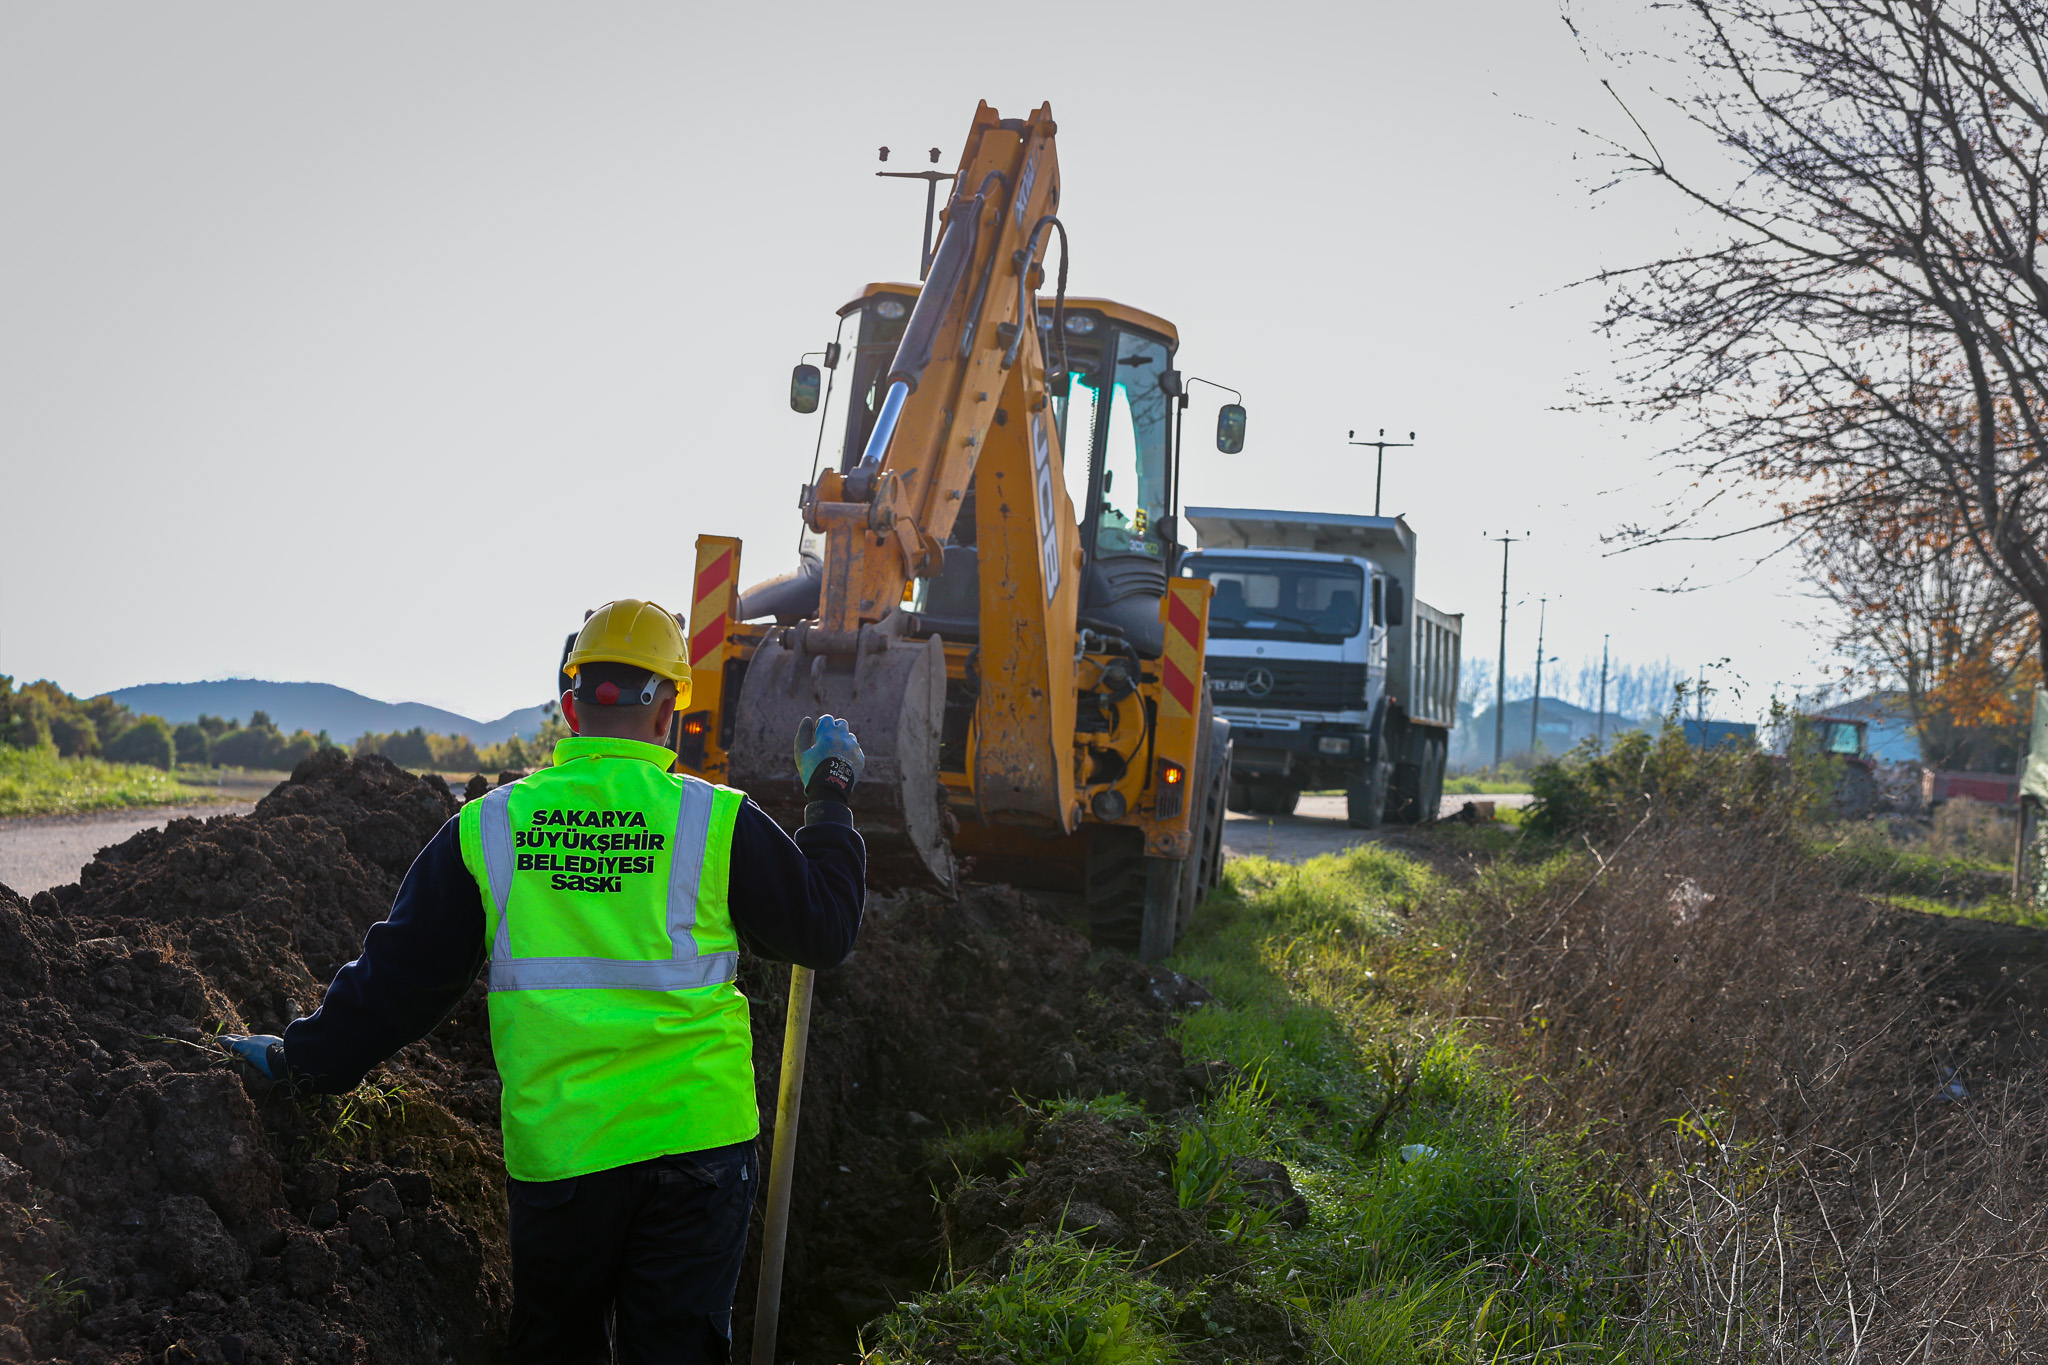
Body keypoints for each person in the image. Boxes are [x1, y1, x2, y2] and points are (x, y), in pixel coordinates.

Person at [223, 599, 867, 1363]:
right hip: (698, 1151)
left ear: (569, 706)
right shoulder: (717, 820)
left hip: (564, 1161)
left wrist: (306, 1061)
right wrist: (828, 794)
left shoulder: (491, 825)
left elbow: (399, 979)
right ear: (669, 710)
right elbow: (824, 928)